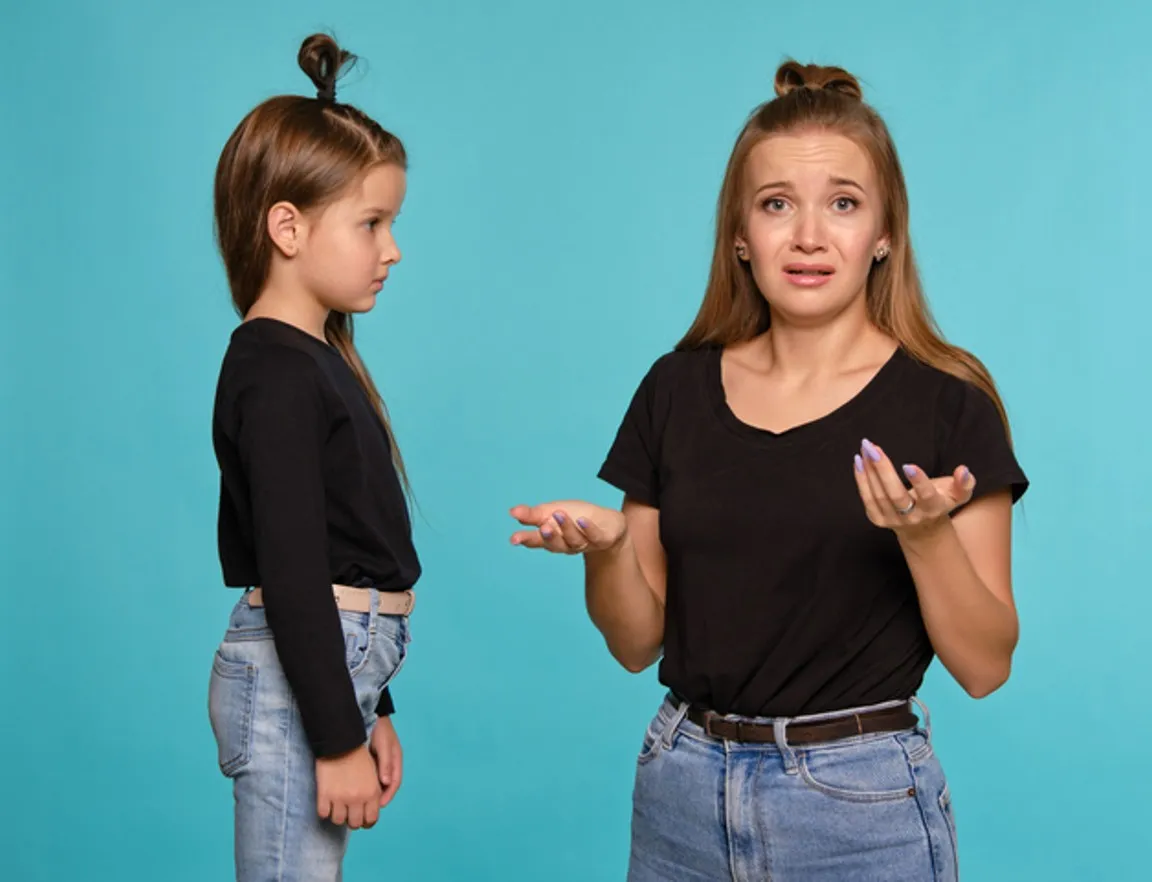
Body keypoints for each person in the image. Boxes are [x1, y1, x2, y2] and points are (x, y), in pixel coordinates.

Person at [510, 60, 1028, 881]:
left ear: (885, 232)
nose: (810, 236)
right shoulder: (674, 388)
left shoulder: (948, 407)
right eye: (777, 203)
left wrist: (925, 536)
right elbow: (635, 643)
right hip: (682, 789)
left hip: (858, 807)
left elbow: (985, 666)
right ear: (741, 235)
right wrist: (608, 550)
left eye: (844, 205)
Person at [206, 33, 419, 882]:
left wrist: (372, 707)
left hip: (330, 669)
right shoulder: (274, 370)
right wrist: (333, 736)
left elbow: (342, 543)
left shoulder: (315, 359)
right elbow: (292, 567)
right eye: (371, 223)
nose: (391, 248)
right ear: (287, 227)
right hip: (298, 679)